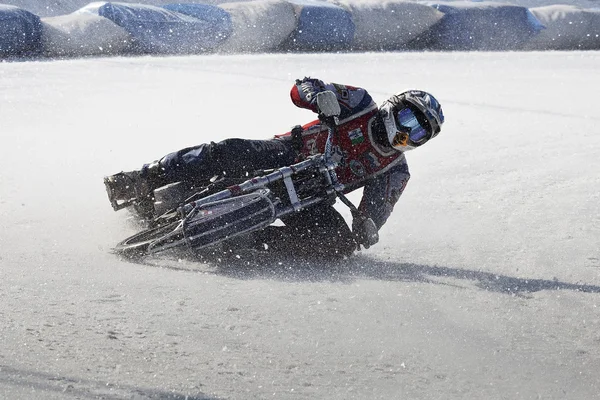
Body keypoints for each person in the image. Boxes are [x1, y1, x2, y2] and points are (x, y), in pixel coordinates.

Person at [105, 77, 444, 259]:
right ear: (393, 108)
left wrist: (368, 226)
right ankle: (143, 179)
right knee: (228, 150)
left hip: (314, 195)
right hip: (287, 152)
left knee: (338, 246)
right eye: (408, 120)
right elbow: (303, 86)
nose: (406, 133)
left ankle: (249, 241)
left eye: (418, 133)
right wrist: (318, 95)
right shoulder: (359, 103)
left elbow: (377, 210)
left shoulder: (396, 171)